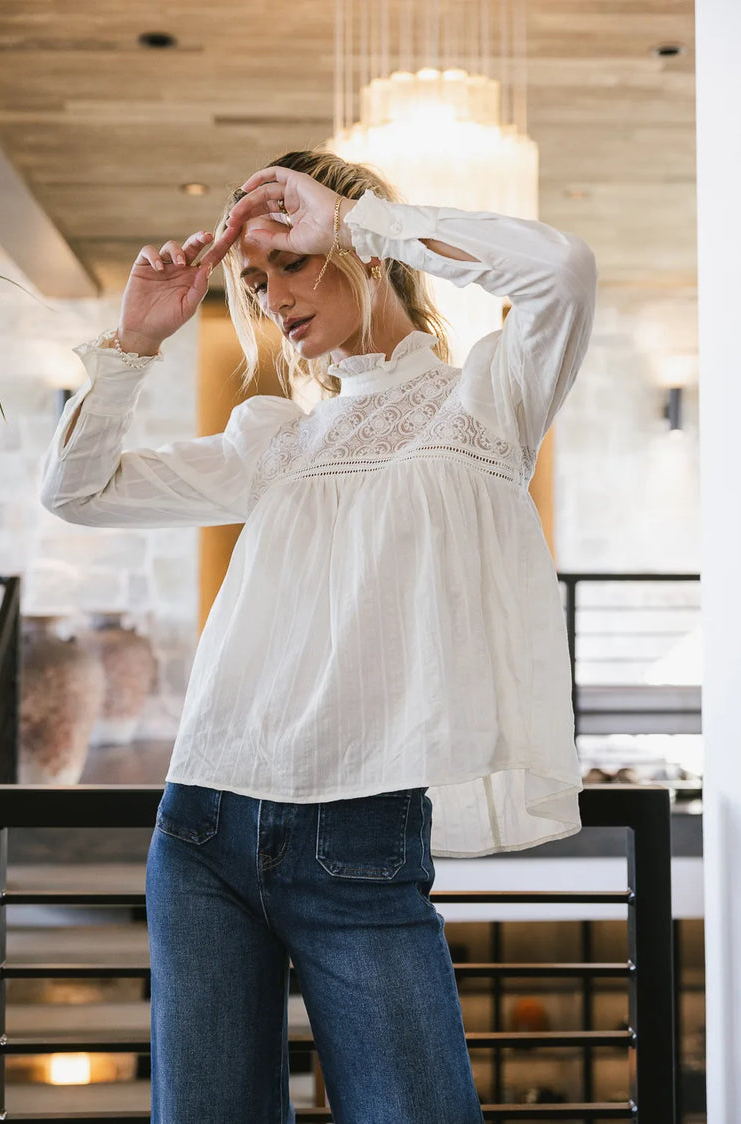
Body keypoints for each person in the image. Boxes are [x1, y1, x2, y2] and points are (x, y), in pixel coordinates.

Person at [40, 148, 597, 1124]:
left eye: (290, 261)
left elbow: (563, 273)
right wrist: (133, 340)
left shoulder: (485, 404)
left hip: (361, 837)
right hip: (204, 825)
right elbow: (77, 490)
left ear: (362, 250)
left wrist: (356, 218)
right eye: (257, 279)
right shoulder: (278, 438)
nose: (274, 295)